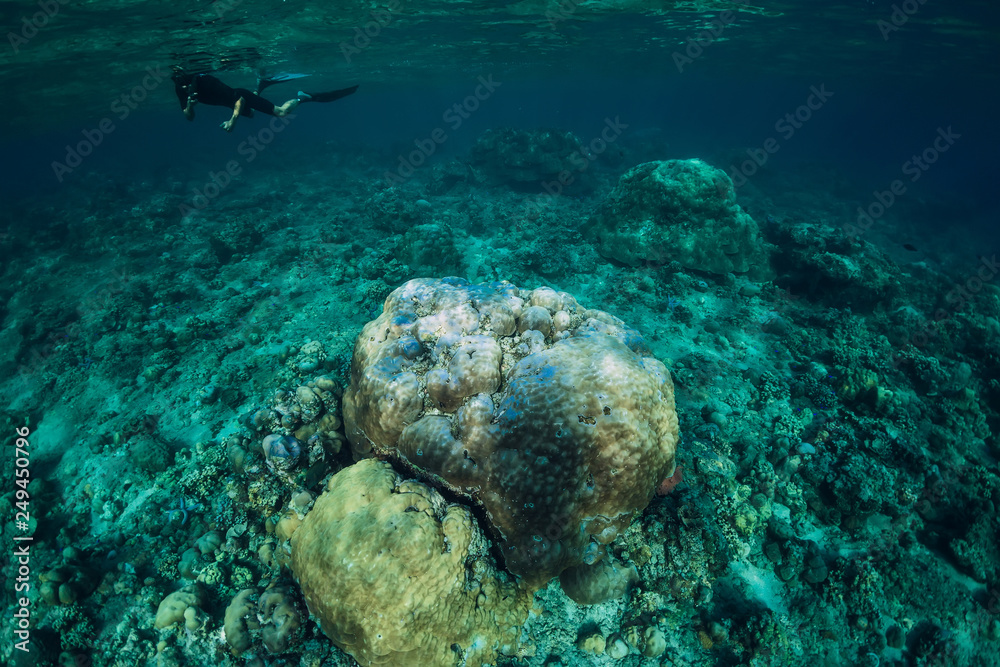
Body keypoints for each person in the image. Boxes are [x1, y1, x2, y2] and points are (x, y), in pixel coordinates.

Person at [171, 69, 358, 132]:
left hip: (239, 96)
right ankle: (262, 84)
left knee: (282, 113)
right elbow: (188, 116)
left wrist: (232, 120)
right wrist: (189, 105)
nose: (185, 88)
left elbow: (239, 100)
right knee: (251, 114)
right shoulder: (181, 89)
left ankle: (302, 97)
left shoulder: (205, 81)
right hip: (232, 101)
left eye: (187, 84)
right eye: (181, 85)